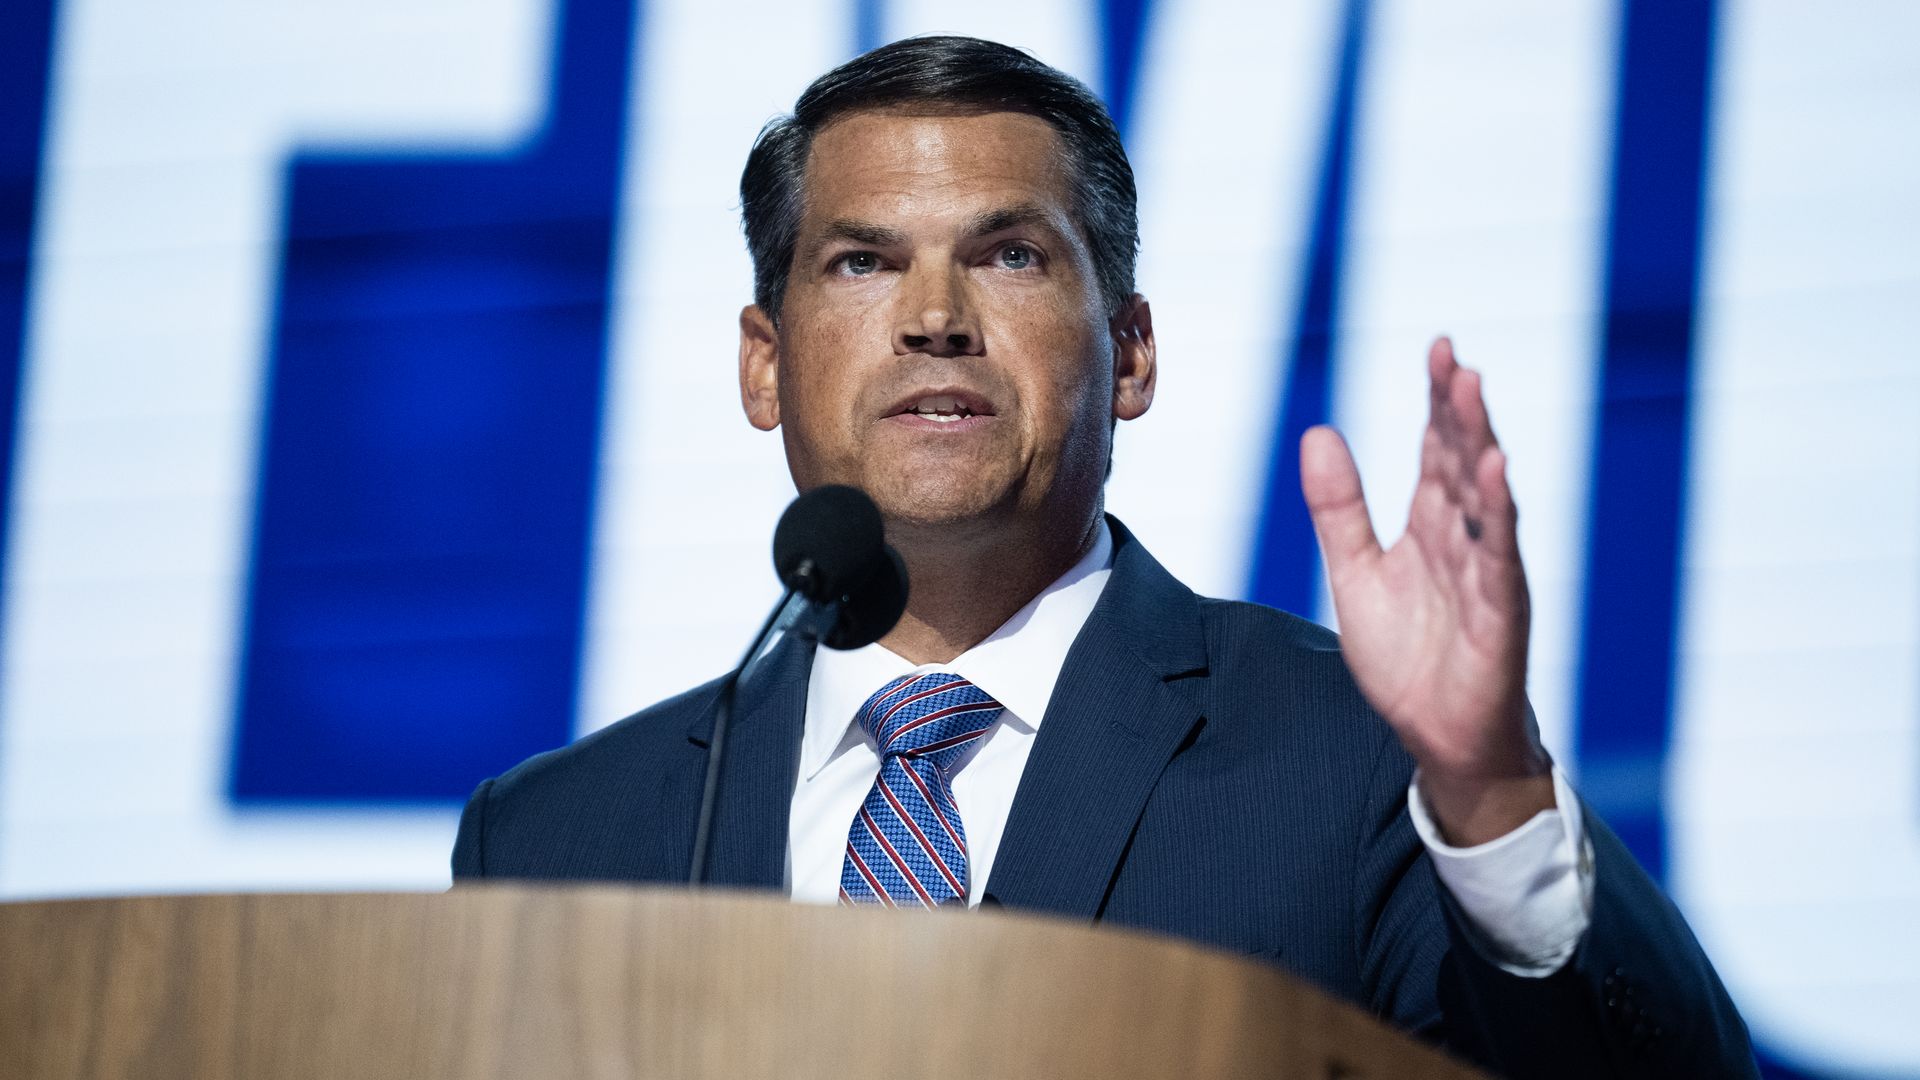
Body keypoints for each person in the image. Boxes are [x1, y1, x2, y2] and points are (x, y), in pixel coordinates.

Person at [453, 35, 1757, 1077]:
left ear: (1130, 351)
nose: (933, 319)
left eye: (1010, 255)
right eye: (861, 262)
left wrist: (1492, 797)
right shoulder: (558, 834)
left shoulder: (1358, 757)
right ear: (763, 360)